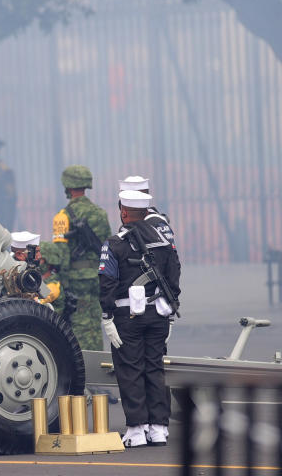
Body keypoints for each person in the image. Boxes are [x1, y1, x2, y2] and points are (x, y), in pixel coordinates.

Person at [99, 190, 180, 448]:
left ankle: (136, 429)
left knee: (130, 370)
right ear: (147, 213)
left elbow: (107, 281)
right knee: (154, 368)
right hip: (158, 313)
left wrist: (107, 315)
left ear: (123, 211)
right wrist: (169, 307)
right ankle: (158, 428)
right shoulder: (164, 242)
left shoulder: (115, 243)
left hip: (127, 315)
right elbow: (175, 275)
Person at [39, 165, 111, 351]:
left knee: (77, 323)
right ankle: (97, 359)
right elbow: (108, 248)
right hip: (97, 277)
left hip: (75, 280)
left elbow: (61, 255)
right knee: (94, 320)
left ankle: (84, 363)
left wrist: (59, 284)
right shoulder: (100, 213)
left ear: (68, 186)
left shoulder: (62, 217)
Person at [10, 231, 59, 306]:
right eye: (36, 252)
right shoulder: (12, 273)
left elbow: (49, 292)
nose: (39, 256)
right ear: (19, 255)